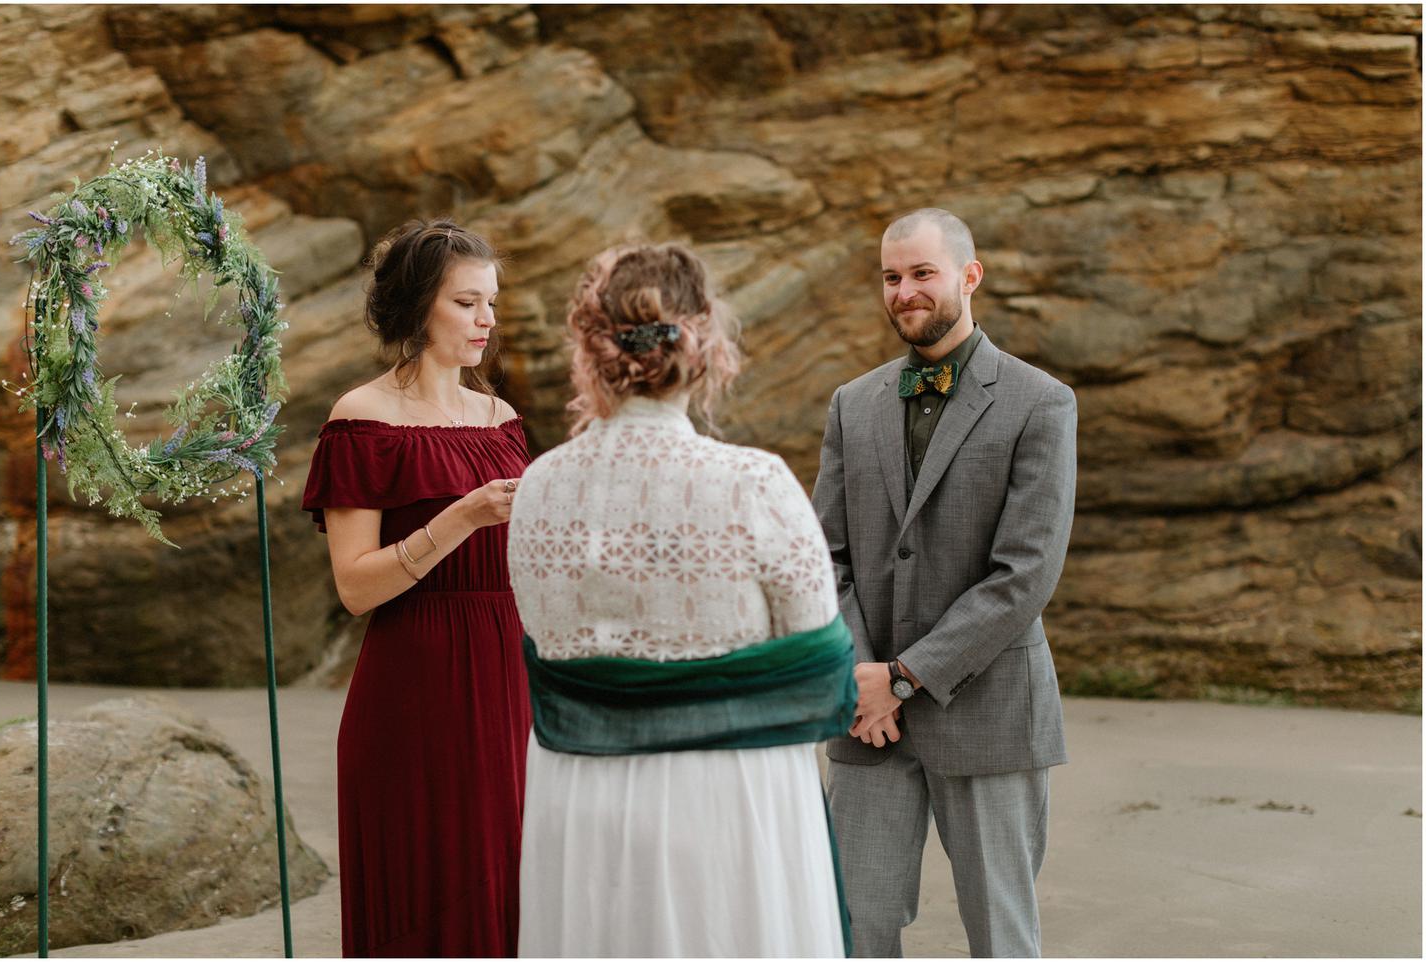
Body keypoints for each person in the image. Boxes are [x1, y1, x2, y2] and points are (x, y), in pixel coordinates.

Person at [507, 243, 856, 958]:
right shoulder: (754, 484)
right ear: (704, 345)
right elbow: (823, 667)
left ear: (590, 351)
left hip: (578, 797)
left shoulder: (538, 487)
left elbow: (544, 634)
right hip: (729, 797)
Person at [812, 208, 1077, 958]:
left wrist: (902, 678)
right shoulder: (851, 403)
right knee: (854, 927)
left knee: (1000, 933)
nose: (904, 292)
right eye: (891, 277)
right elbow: (824, 556)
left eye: (923, 273)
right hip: (868, 721)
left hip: (988, 711)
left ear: (970, 275)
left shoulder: (1041, 401)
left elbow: (1025, 574)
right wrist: (862, 675)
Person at [300, 219, 530, 957]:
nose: (486, 320)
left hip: (510, 684)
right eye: (466, 303)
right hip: (414, 688)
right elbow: (355, 587)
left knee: (510, 888)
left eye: (491, 303)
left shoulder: (502, 421)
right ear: (417, 305)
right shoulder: (361, 420)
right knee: (426, 896)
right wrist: (463, 516)